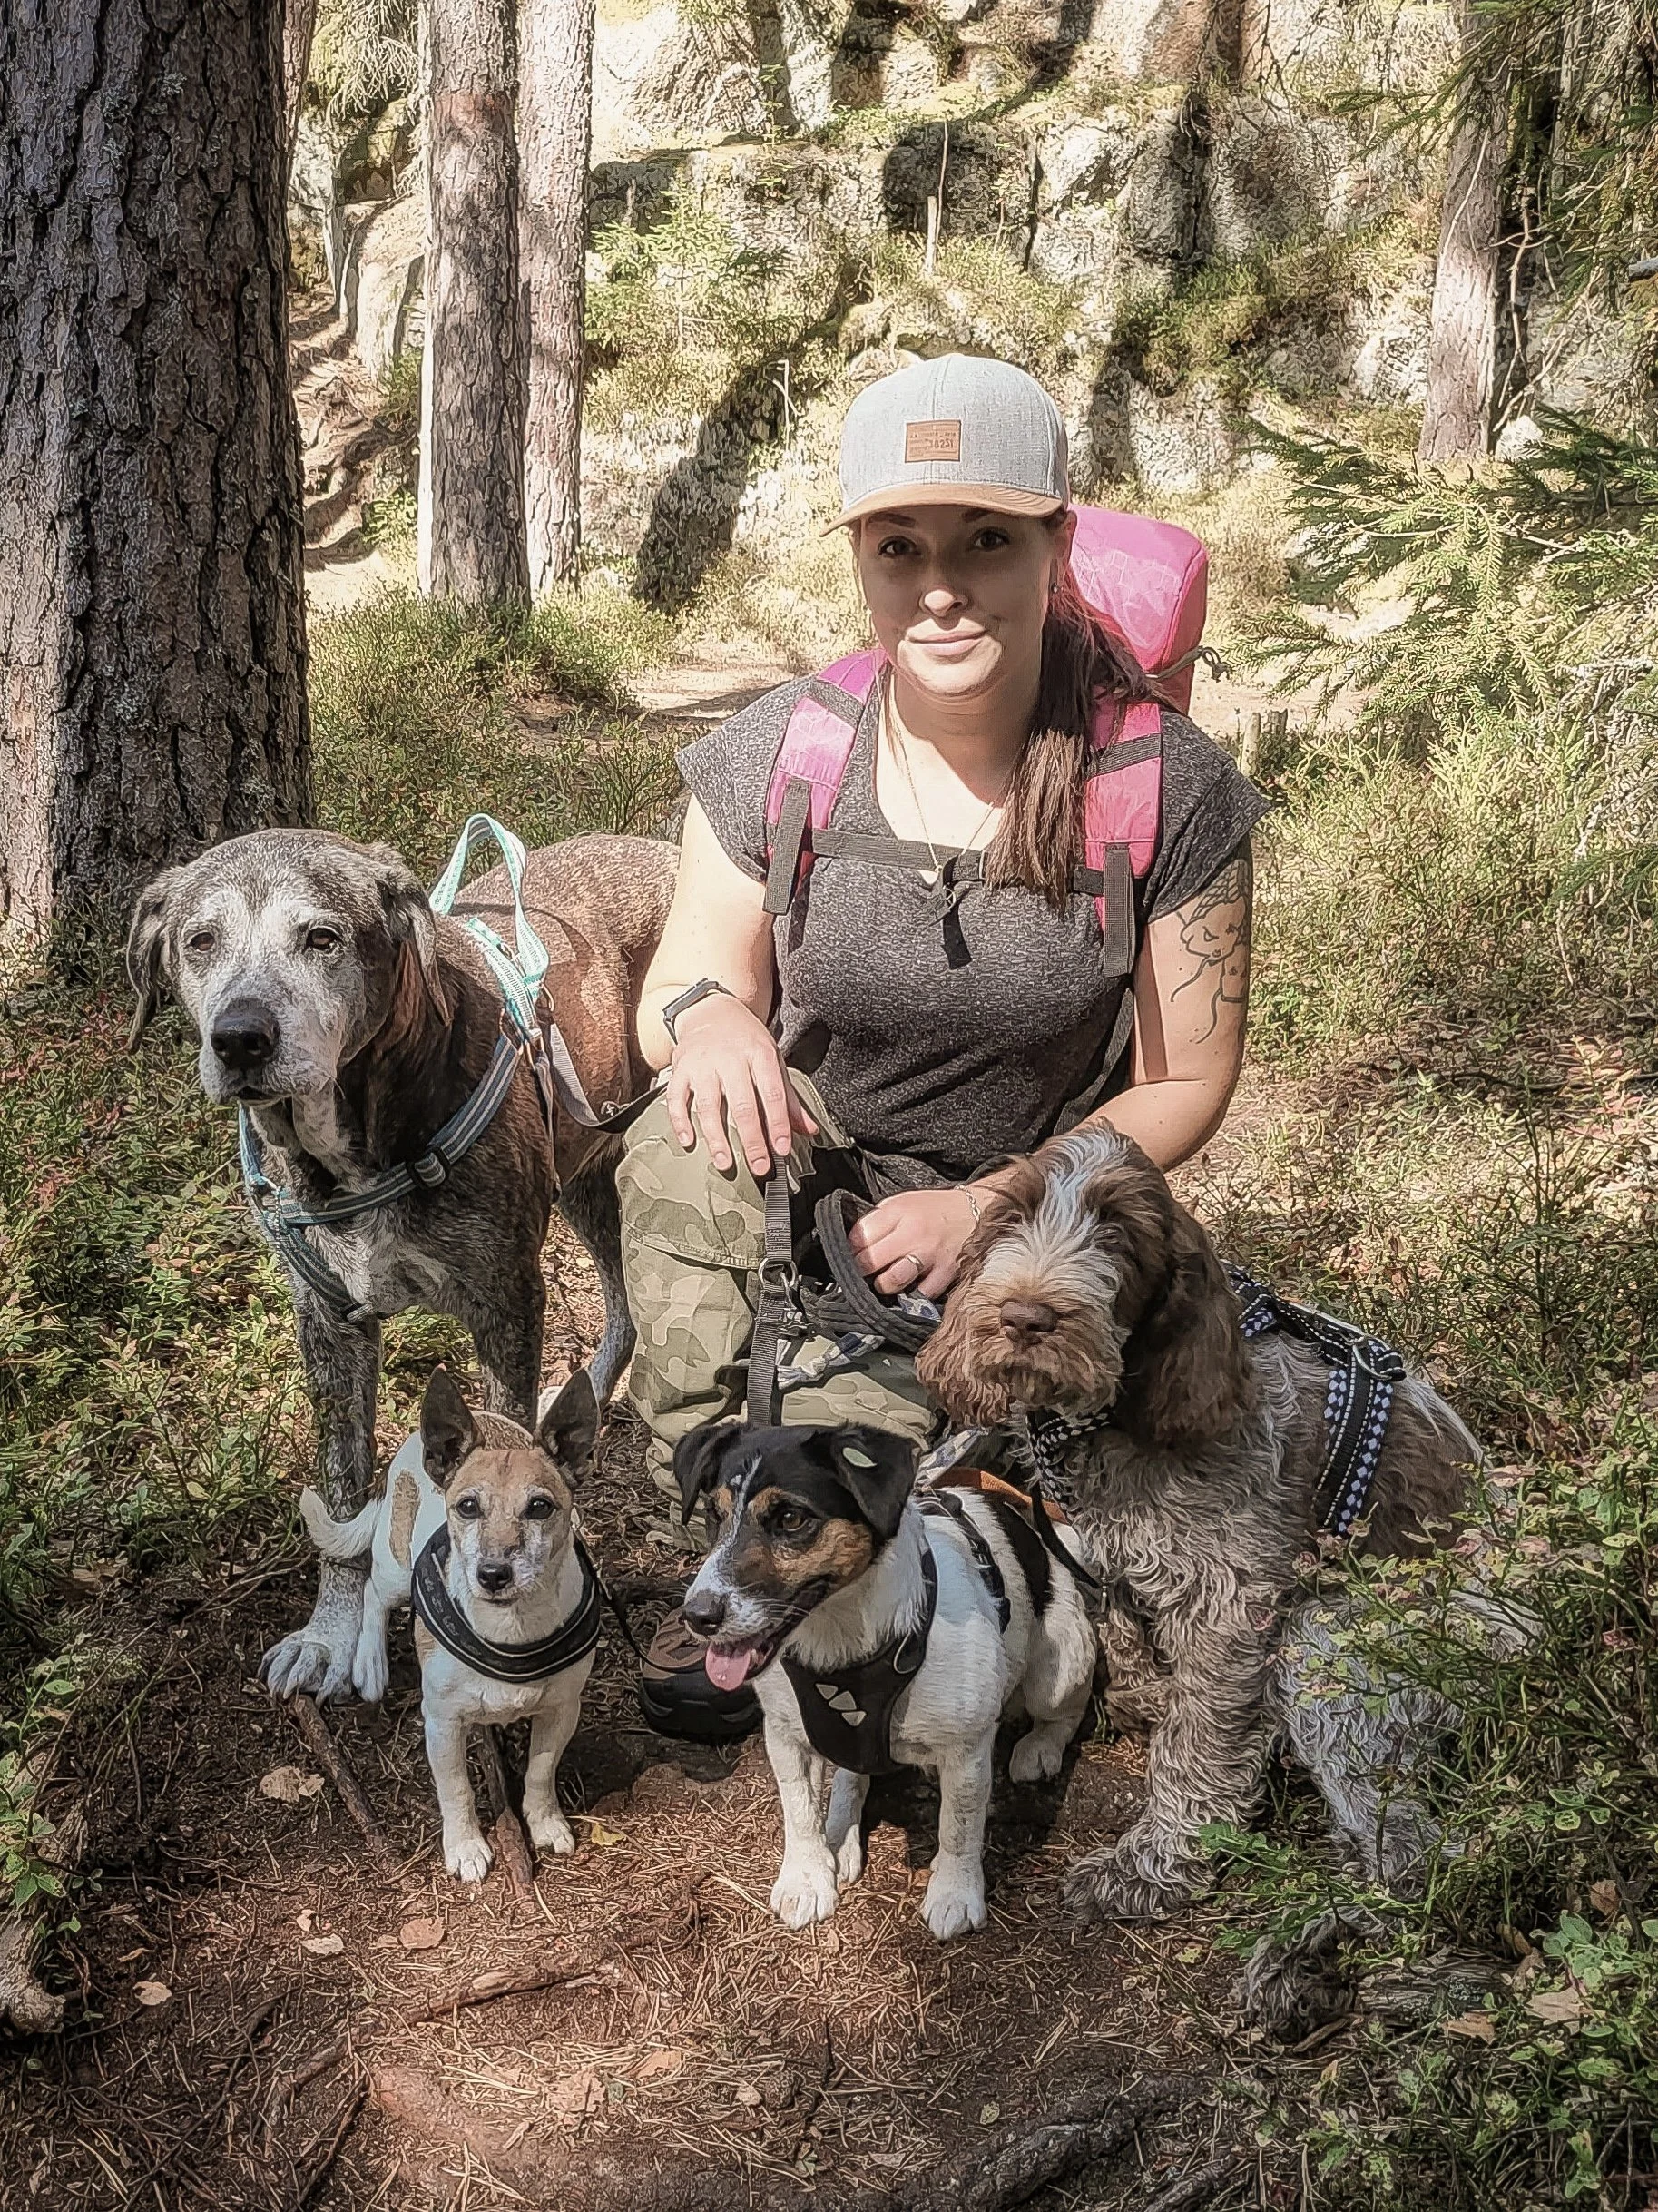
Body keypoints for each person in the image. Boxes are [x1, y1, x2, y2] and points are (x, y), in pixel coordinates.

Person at [618, 354, 1269, 1736]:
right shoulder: (780, 753)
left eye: (986, 541)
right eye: (899, 546)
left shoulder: (1162, 787)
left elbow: (1188, 1079)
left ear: (1054, 544)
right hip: (816, 1158)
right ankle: (723, 1511)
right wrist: (710, 1016)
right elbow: (680, 970)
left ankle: (920, 1509)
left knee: (908, 1477)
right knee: (672, 1143)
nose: (941, 587)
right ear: (859, 557)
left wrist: (989, 1200)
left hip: (1031, 1197)